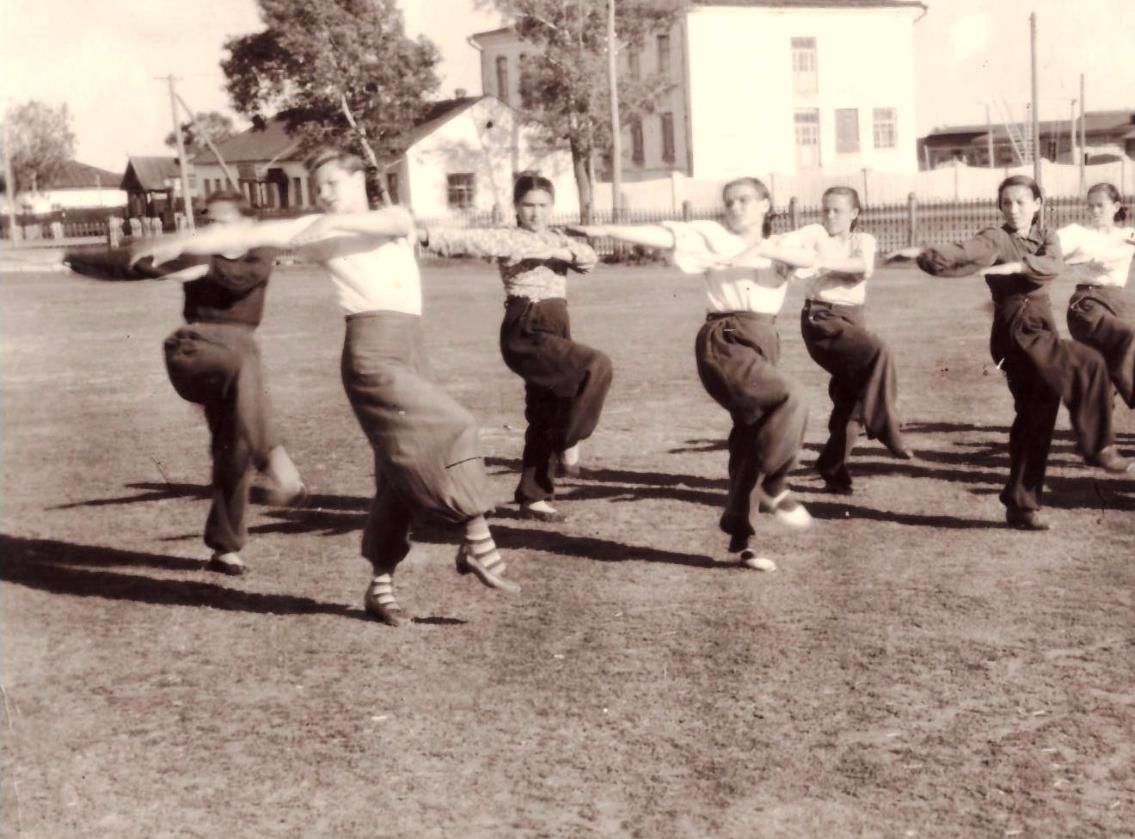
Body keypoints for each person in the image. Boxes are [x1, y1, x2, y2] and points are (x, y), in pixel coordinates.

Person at [137, 149, 521, 625]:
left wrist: (322, 226)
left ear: (361, 179)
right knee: (456, 424)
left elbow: (383, 223)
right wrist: (180, 244)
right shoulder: (319, 232)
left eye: (331, 185)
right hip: (371, 354)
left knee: (396, 475)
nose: (322, 195)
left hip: (410, 346)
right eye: (318, 188)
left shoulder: (388, 216)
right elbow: (257, 233)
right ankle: (477, 538)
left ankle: (380, 587)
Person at [571, 177, 815, 571]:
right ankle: (775, 484)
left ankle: (741, 539)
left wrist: (766, 247)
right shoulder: (711, 235)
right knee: (792, 397)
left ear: (766, 204)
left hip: (764, 339)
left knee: (753, 433)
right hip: (726, 338)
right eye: (729, 201)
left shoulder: (783, 246)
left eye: (745, 200)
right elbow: (662, 235)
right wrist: (604, 229)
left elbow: (809, 260)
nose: (735, 207)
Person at [66, 191, 307, 576]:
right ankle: (275, 461)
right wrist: (75, 259)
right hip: (195, 351)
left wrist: (195, 262)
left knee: (233, 448)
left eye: (222, 221)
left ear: (247, 224)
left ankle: (225, 547)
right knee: (244, 358)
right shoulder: (197, 254)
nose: (211, 229)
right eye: (208, 221)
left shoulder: (259, 254)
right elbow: (134, 266)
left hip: (235, 356)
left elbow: (236, 280)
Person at [888, 175, 1135, 530]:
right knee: (1089, 362)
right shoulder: (995, 237)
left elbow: (1054, 265)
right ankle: (1098, 447)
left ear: (1038, 203)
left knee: (1036, 417)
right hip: (1015, 330)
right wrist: (930, 256)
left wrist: (1021, 267)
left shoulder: (1047, 236)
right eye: (1006, 203)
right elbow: (966, 253)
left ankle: (1021, 504)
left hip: (1041, 325)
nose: (1014, 209)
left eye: (1021, 202)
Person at [419, 174, 613, 519]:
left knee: (545, 412)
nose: (536, 213)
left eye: (542, 206)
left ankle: (533, 496)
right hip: (527, 325)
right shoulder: (508, 238)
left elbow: (588, 260)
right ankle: (569, 440)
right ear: (516, 207)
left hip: (557, 324)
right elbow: (469, 240)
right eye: (528, 205)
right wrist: (425, 235)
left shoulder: (558, 237)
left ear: (552, 207)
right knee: (595, 365)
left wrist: (560, 249)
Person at [781, 185, 913, 495]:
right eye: (825, 209)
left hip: (854, 317)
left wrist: (821, 264)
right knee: (879, 351)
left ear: (854, 213)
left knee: (853, 399)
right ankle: (884, 425)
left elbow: (861, 268)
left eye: (837, 210)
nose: (829, 216)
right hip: (822, 320)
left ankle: (833, 469)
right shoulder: (815, 235)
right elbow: (791, 247)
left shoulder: (862, 240)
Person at [1055, 182, 1135, 437]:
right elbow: (1057, 244)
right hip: (1086, 305)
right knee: (1127, 337)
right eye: (1091, 206)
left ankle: (1095, 434)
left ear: (1116, 206)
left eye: (1101, 205)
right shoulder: (1078, 233)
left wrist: (1090, 257)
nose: (1095, 211)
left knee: (1107, 370)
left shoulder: (1127, 235)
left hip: (1116, 304)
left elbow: (1117, 255)